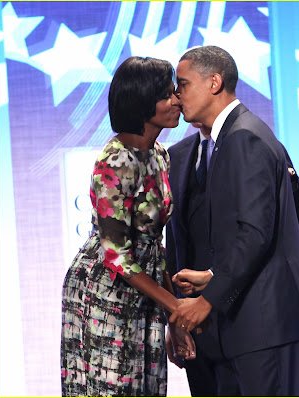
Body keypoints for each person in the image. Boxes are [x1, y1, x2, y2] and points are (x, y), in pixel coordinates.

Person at [169, 46, 299, 397]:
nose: (176, 95)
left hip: (266, 324)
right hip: (219, 333)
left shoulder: (247, 136)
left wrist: (208, 297)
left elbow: (256, 233)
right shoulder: (189, 152)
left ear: (214, 82)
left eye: (182, 84)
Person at [60, 56, 196, 397]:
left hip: (145, 286)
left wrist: (173, 317)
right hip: (107, 291)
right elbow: (116, 256)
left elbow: (153, 244)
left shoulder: (160, 154)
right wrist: (176, 307)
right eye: (167, 95)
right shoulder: (115, 161)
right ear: (142, 103)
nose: (177, 100)